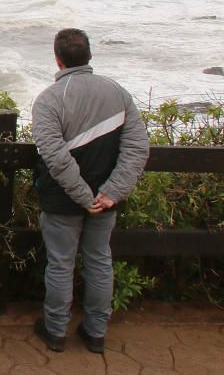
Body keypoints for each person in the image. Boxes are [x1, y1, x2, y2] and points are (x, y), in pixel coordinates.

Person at [31, 28, 150, 354]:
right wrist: (111, 192)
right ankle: (96, 332)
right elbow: (138, 148)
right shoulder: (117, 92)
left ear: (57, 58)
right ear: (90, 56)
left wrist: (83, 196)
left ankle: (55, 331)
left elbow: (55, 157)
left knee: (60, 264)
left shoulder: (49, 100)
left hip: (62, 200)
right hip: (105, 200)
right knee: (99, 262)